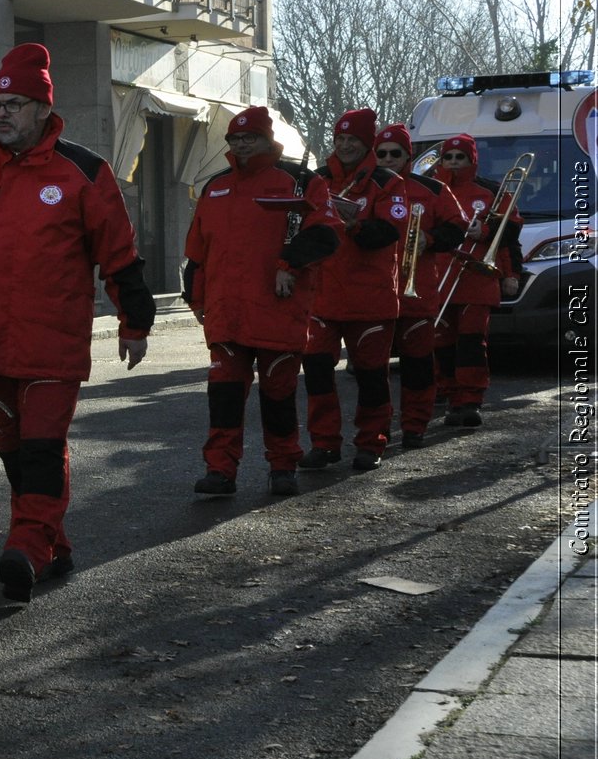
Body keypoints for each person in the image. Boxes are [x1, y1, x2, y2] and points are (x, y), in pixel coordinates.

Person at [0, 43, 154, 603]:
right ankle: (53, 544)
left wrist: (134, 322)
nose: (1, 114)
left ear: (44, 108)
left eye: (14, 104)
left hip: (51, 344)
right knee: (16, 455)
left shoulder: (84, 171)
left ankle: (24, 549)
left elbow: (119, 255)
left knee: (42, 448)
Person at [182, 107, 338, 497]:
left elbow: (326, 234)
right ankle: (220, 471)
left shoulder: (301, 181)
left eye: (249, 137)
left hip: (278, 309)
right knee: (223, 398)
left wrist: (290, 264)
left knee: (278, 396)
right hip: (226, 313)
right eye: (235, 139)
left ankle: (283, 466)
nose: (241, 144)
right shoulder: (214, 186)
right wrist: (196, 297)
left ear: (268, 140)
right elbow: (197, 252)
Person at [299, 108, 406, 472]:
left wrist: (353, 223)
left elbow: (389, 232)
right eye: (339, 139)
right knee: (315, 372)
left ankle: (371, 442)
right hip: (321, 296)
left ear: (367, 144)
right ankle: (324, 443)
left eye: (352, 141)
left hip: (369, 298)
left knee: (371, 376)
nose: (344, 146)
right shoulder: (318, 178)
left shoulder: (388, 181)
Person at [372, 124, 467, 447]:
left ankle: (414, 426)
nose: (387, 159)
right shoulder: (366, 187)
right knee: (373, 371)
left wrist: (431, 239)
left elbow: (457, 229)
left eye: (394, 154)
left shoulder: (433, 190)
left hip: (417, 292)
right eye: (380, 153)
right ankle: (377, 430)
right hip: (373, 294)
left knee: (417, 365)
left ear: (407, 155)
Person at [433, 133, 523, 427]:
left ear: (472, 160)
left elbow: (509, 239)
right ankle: (451, 396)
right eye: (449, 157)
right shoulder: (432, 189)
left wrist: (511, 274)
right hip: (439, 279)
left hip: (476, 279)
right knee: (443, 344)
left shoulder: (491, 192)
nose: (454, 163)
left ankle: (470, 400)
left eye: (461, 157)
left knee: (472, 341)